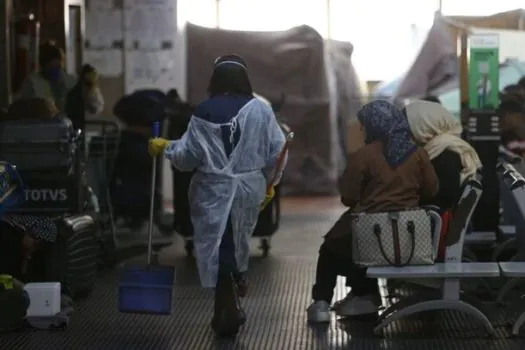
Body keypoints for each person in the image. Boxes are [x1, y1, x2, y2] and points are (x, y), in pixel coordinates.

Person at [147, 55, 287, 336]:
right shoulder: (261, 110)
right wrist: (270, 183)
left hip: (213, 189)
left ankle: (228, 305)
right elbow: (278, 149)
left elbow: (189, 157)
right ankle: (231, 294)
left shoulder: (205, 110)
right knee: (236, 242)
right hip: (249, 188)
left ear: (216, 79)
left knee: (219, 244)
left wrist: (167, 147)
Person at [307, 100, 439, 323]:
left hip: (370, 230)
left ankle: (323, 302)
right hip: (410, 235)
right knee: (349, 240)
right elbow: (431, 191)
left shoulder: (363, 156)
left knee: (332, 247)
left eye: (364, 125)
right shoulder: (418, 154)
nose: (362, 130)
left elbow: (349, 197)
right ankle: (362, 294)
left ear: (374, 125)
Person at [405, 100, 482, 259]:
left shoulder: (445, 155)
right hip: (430, 227)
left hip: (430, 232)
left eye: (408, 129)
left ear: (424, 126)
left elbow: (440, 199)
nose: (404, 135)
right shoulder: (439, 148)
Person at [16, 40, 103, 117]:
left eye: (58, 67)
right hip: (42, 130)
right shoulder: (31, 83)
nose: (55, 72)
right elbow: (19, 109)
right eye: (51, 68)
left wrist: (90, 87)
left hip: (70, 131)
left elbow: (95, 108)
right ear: (43, 65)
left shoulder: (73, 83)